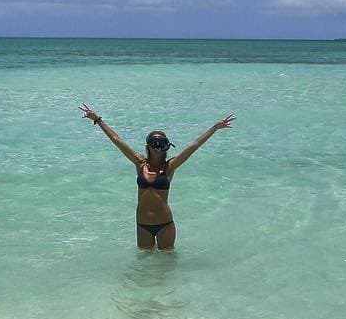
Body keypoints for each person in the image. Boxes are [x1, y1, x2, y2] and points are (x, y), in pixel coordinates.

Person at [79, 105, 234, 250]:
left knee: (166, 265)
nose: (158, 145)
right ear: (148, 146)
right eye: (154, 141)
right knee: (145, 267)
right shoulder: (140, 163)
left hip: (164, 224)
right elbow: (117, 140)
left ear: (166, 145)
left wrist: (215, 127)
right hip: (142, 224)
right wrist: (97, 119)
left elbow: (195, 145)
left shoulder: (170, 166)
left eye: (161, 141)